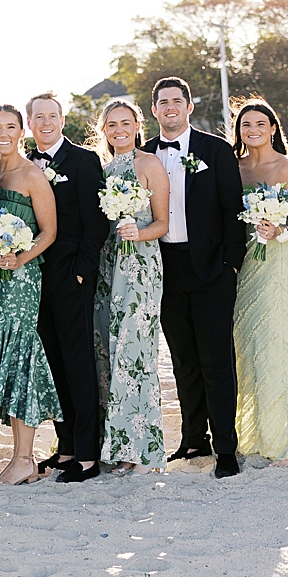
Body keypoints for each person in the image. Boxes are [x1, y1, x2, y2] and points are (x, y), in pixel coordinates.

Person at [148, 76, 248, 478]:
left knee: (216, 360)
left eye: (177, 100)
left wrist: (231, 265)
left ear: (189, 107)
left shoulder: (216, 149)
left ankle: (226, 447)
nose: (170, 107)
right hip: (165, 267)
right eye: (162, 101)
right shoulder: (146, 154)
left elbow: (232, 209)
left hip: (210, 268)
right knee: (182, 359)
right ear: (154, 110)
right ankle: (193, 438)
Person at [0, 104, 61, 486]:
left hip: (22, 280)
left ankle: (24, 458)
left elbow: (49, 232)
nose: (3, 133)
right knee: (6, 360)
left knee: (21, 357)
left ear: (21, 131)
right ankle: (18, 455)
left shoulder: (31, 174)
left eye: (10, 127)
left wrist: (20, 257)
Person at [26, 91, 109, 484]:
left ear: (62, 119)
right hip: (35, 279)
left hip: (71, 276)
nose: (45, 123)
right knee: (55, 363)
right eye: (38, 117)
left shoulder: (83, 160)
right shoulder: (25, 164)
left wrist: (81, 272)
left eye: (52, 116)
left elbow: (97, 223)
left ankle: (88, 455)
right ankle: (66, 446)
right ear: (30, 123)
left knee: (78, 364)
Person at [230, 100, 288, 466]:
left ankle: (287, 442)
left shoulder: (286, 167)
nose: (253, 130)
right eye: (245, 124)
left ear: (272, 127)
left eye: (260, 123)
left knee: (277, 343)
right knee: (246, 344)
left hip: (279, 261)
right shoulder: (236, 168)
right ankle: (254, 436)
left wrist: (280, 232)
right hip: (246, 263)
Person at [93, 98, 170, 473]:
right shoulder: (104, 169)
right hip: (108, 266)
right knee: (109, 354)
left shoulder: (149, 164)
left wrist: (137, 233)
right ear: (104, 130)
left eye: (125, 123)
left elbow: (162, 223)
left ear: (138, 125)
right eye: (112, 125)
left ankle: (147, 452)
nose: (119, 130)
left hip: (139, 266)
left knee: (136, 354)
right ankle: (122, 449)